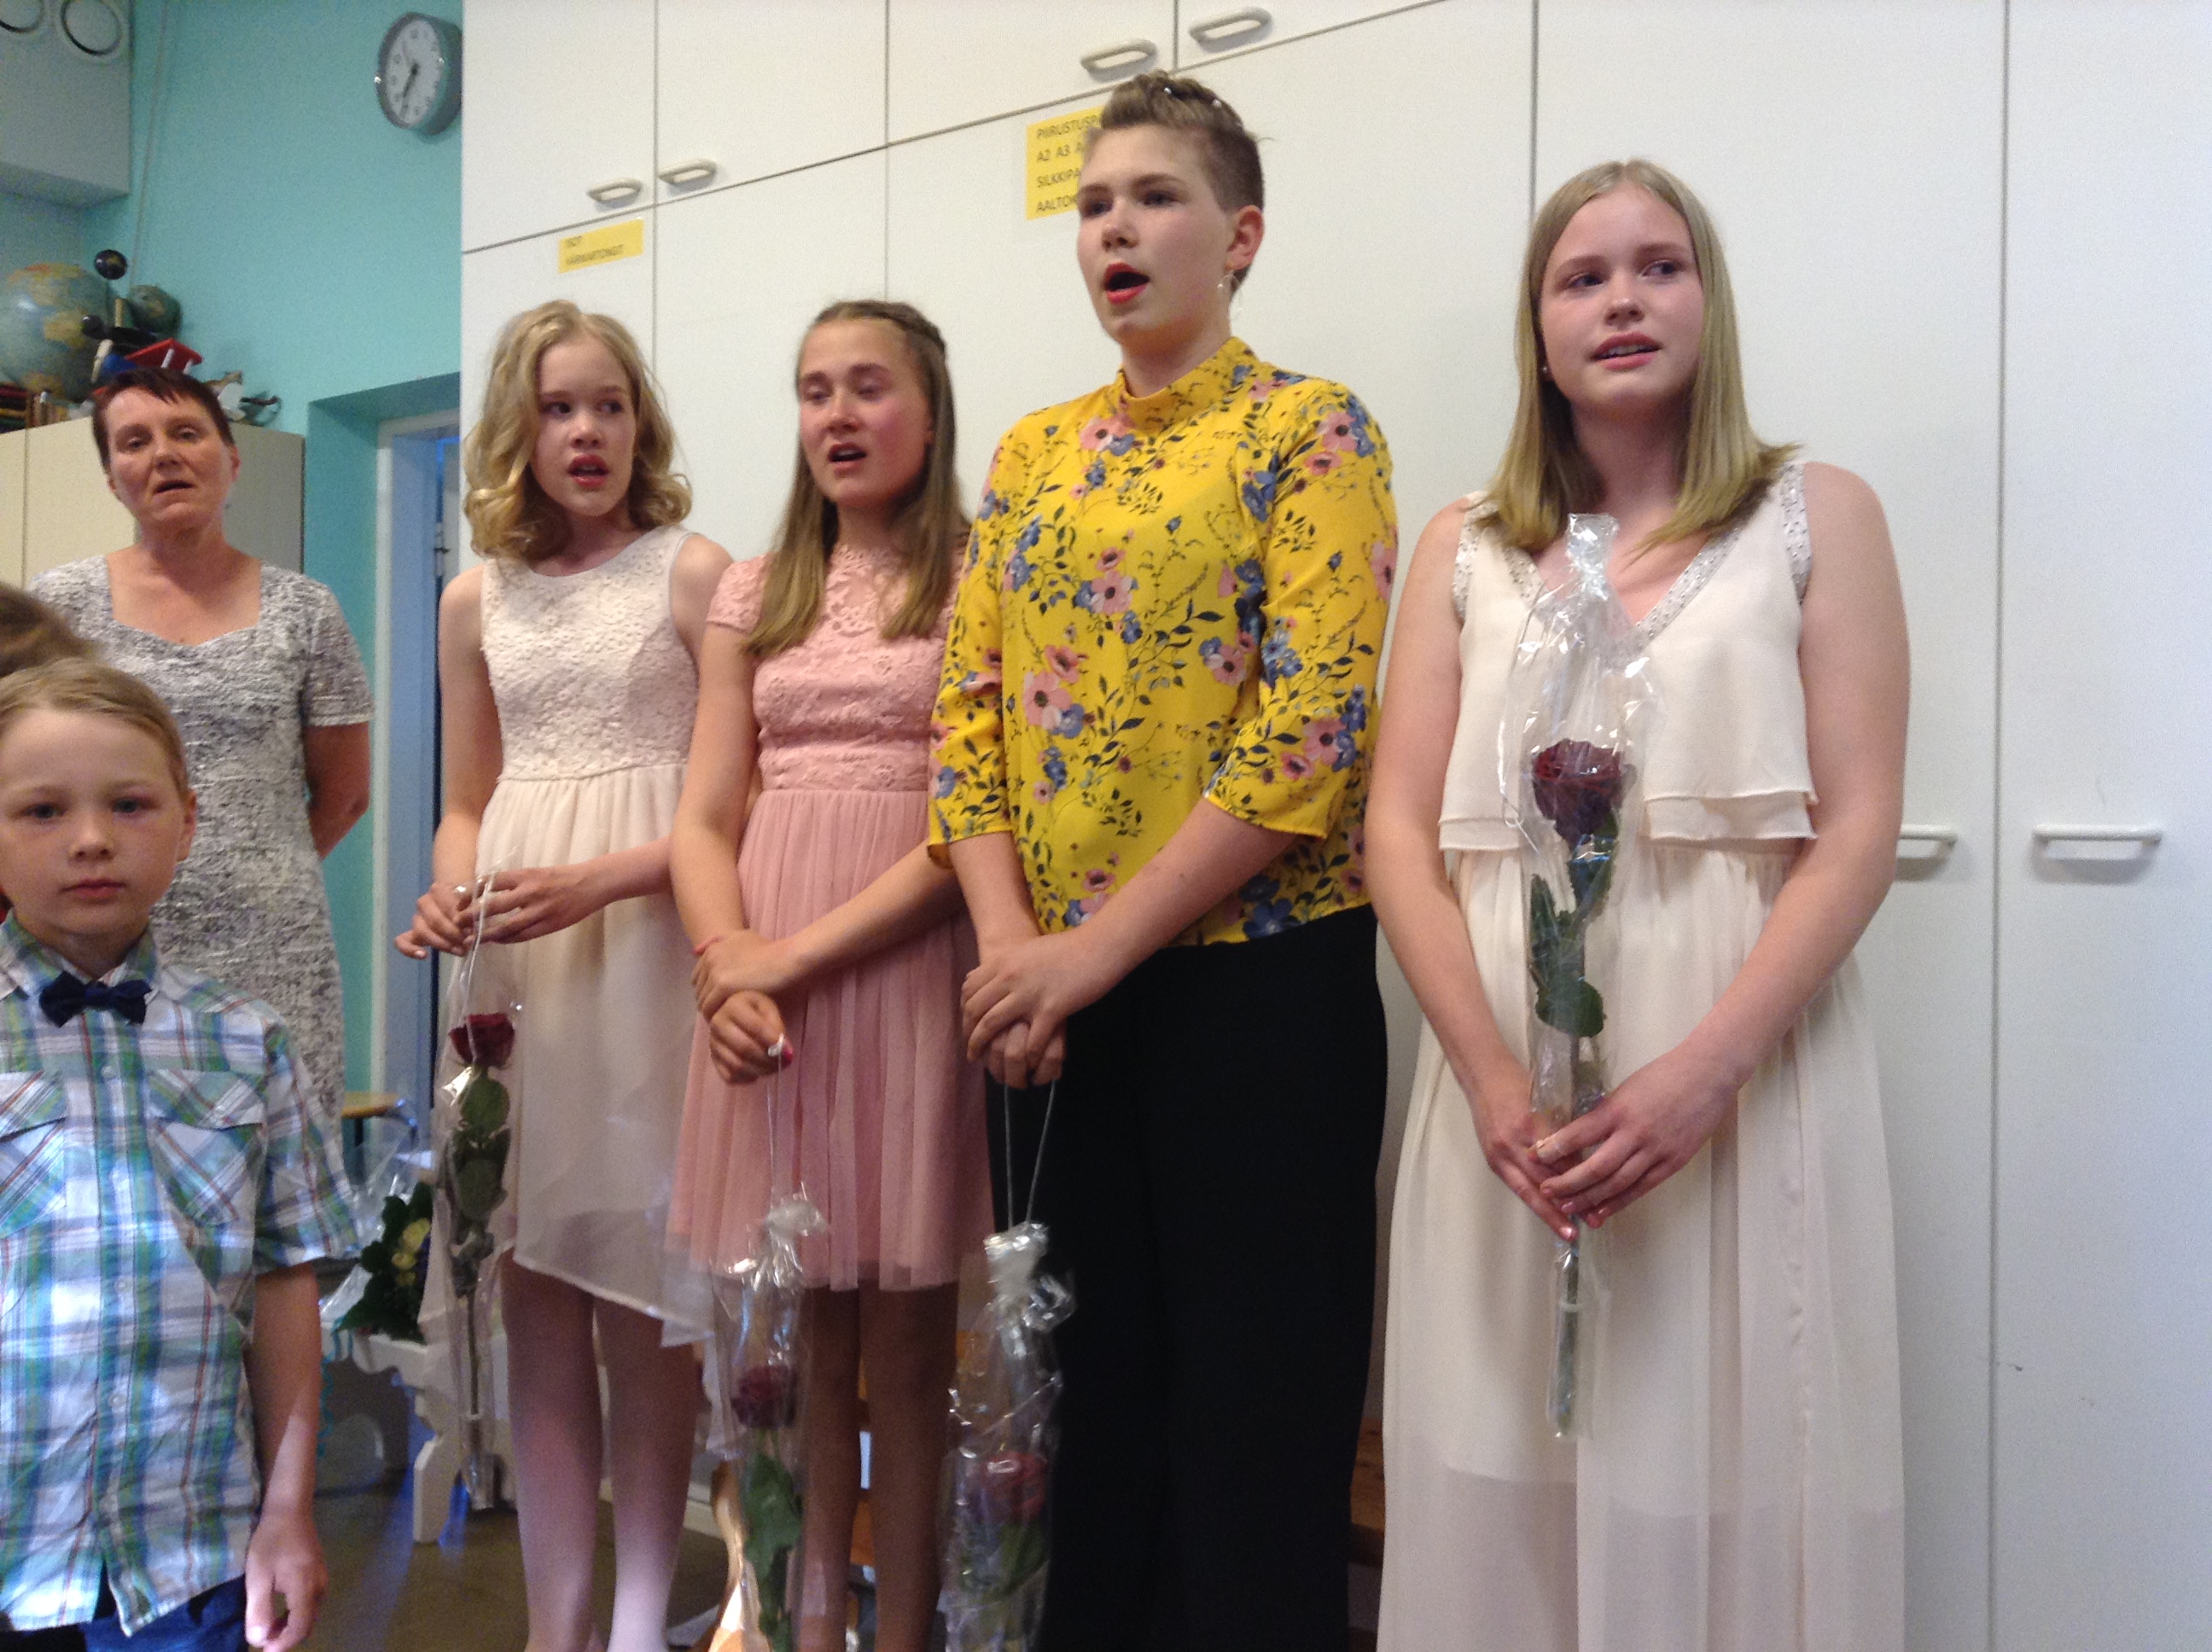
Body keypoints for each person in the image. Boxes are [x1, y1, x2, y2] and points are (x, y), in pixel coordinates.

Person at [1366, 159, 1907, 1651]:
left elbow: (1859, 826)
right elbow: (1395, 834)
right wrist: (1488, 1077)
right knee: (1504, 1458)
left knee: (1724, 1454)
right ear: (1537, 331)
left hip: (1737, 1068)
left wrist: (1704, 1074)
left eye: (1659, 267)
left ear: (1708, 303)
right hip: (1508, 1096)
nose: (1622, 300)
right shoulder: (1465, 544)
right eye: (1582, 276)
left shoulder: (1816, 515)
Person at [930, 71, 1396, 1649]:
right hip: (1051, 1010)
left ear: (1240, 235)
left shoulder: (1309, 430)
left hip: (1257, 995)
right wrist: (1015, 956)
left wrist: (1086, 951)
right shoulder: (1030, 454)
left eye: (1155, 198)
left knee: (1254, 1430)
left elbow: (1311, 733)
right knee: (1081, 1421)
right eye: (1092, 205)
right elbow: (968, 718)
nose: (1114, 230)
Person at [394, 300, 730, 1652]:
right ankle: (556, 1625)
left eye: (607, 405)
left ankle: (640, 1621)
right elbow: (465, 801)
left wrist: (605, 880)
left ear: (640, 421)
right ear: (516, 433)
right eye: (556, 409)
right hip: (516, 962)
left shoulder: (696, 575)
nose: (585, 432)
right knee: (531, 1296)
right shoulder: (473, 598)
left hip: (646, 948)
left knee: (644, 1302)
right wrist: (451, 886)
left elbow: (734, 805)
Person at [669, 298, 990, 1652]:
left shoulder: (985, 577)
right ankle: (798, 1626)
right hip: (761, 991)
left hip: (904, 969)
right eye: (815, 390)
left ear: (931, 410)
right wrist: (724, 972)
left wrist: (785, 960)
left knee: (908, 1359)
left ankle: (901, 1631)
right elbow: (702, 817)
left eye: (870, 386)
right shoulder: (755, 590)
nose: (839, 415)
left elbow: (973, 825)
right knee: (790, 1350)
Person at [0, 658, 358, 1652]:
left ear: (187, 823)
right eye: (41, 810)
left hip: (191, 1555)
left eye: (129, 804)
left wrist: (288, 1511)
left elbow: (284, 1282)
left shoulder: (250, 1041)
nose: (90, 838)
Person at [35, 367, 372, 1125]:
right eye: (134, 442)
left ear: (232, 459)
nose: (163, 455)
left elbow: (346, 794)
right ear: (112, 479)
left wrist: (252, 866)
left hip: (274, 946)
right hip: (103, 938)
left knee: (275, 1157)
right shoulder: (59, 607)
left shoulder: (307, 611)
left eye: (186, 433)